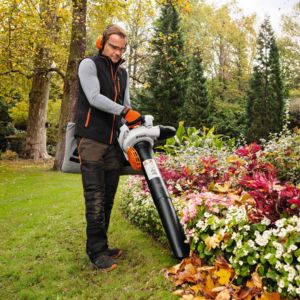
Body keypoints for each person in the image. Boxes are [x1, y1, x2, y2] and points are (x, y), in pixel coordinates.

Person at [75, 24, 142, 271]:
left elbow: (126, 106)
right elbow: (93, 97)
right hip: (91, 139)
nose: (117, 52)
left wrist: (134, 126)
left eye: (122, 48)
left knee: (108, 199)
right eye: (114, 47)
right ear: (101, 43)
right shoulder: (88, 65)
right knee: (94, 198)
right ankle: (96, 253)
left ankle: (101, 245)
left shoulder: (123, 74)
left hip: (113, 143)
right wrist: (125, 111)